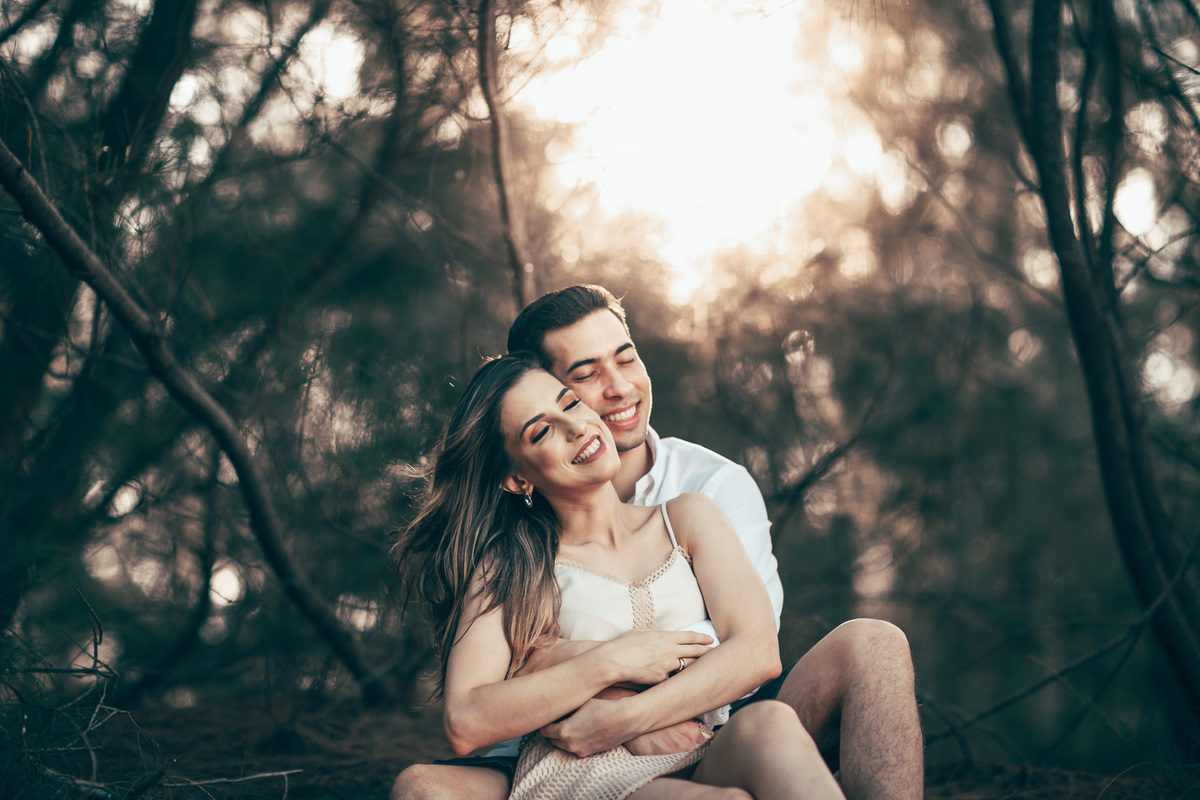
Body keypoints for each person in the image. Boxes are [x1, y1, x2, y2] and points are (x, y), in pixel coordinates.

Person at [393, 285, 924, 800]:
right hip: (571, 761)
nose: (616, 391)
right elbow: (472, 712)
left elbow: (754, 651)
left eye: (625, 360)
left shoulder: (700, 498)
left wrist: (612, 700)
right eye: (583, 378)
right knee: (423, 789)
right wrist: (607, 663)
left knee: (858, 654)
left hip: (715, 727)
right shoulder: (518, 560)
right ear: (518, 475)